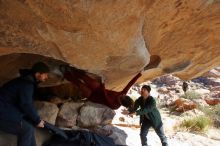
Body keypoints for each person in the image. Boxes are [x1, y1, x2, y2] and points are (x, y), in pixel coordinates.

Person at [0, 62, 50, 146]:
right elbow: (26, 104)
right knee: (27, 129)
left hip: (6, 111)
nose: (47, 77)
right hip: (2, 114)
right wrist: (37, 120)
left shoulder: (25, 81)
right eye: (45, 75)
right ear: (38, 74)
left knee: (30, 126)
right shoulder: (26, 84)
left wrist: (34, 119)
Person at [60, 65, 141, 109]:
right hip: (98, 89)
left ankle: (66, 73)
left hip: (93, 96)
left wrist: (102, 84)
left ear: (122, 101)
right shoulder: (123, 94)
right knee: (86, 78)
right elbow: (130, 84)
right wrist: (139, 74)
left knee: (80, 84)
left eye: (123, 97)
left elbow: (105, 96)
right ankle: (72, 70)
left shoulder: (114, 105)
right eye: (125, 95)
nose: (123, 94)